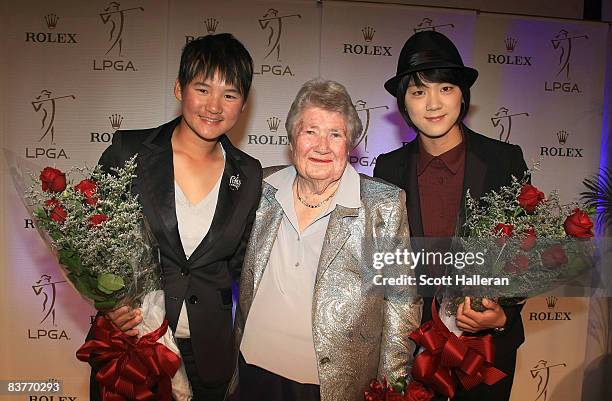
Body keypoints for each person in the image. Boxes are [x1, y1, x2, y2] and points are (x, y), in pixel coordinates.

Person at [89, 33, 263, 401]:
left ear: (243, 104)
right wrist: (110, 305)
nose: (214, 106)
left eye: (229, 95)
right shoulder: (130, 152)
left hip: (208, 353)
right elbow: (93, 240)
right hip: (133, 342)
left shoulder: (248, 174)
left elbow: (242, 263)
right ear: (179, 88)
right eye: (202, 89)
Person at [229, 78, 421, 401]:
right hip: (253, 372)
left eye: (335, 134)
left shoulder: (381, 205)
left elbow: (402, 305)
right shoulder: (261, 187)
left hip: (330, 385)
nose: (322, 146)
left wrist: (393, 389)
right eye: (311, 132)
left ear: (349, 144)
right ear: (292, 138)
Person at [374, 31, 528, 401]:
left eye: (444, 88)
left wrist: (502, 316)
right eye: (418, 92)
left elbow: (526, 252)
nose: (432, 103)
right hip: (413, 355)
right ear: (403, 104)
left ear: (462, 94)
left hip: (484, 352)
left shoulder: (504, 161)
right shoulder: (388, 169)